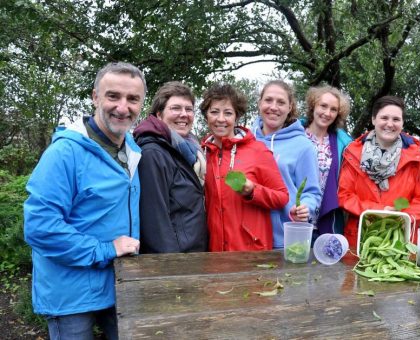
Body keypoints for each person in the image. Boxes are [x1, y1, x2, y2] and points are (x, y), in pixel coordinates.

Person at [23, 62, 146, 339]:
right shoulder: (65, 153)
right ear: (95, 97)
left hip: (118, 284)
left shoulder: (132, 152)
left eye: (132, 99)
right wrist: (106, 249)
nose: (123, 107)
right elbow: (40, 227)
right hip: (70, 295)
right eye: (113, 96)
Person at [338, 95, 420, 246]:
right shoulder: (352, 153)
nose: (390, 124)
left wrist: (401, 219)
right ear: (373, 120)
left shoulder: (416, 157)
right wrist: (380, 212)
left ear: (402, 123)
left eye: (396, 119)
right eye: (384, 118)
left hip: (400, 239)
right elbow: (345, 195)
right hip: (360, 237)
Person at [201, 84, 289, 251]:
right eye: (214, 112)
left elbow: (282, 197)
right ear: (206, 116)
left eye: (228, 113)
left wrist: (253, 191)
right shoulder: (202, 153)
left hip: (251, 251)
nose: (220, 119)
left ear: (236, 117)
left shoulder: (257, 151)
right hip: (214, 252)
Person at [133, 81, 207, 253]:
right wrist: (171, 268)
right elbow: (155, 221)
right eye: (176, 108)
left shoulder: (190, 150)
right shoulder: (153, 153)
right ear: (159, 115)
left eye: (189, 109)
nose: (184, 114)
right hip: (175, 261)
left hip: (194, 254)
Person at [253, 80, 322, 248]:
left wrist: (305, 207)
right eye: (268, 100)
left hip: (284, 241)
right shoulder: (247, 140)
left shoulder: (303, 146)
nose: (274, 107)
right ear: (260, 103)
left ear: (290, 107)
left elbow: (312, 193)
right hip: (249, 238)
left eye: (281, 102)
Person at [303, 85, 353, 236]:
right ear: (313, 106)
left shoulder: (344, 143)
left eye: (333, 109)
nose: (327, 113)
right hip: (295, 215)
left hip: (326, 217)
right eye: (323, 106)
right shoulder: (295, 135)